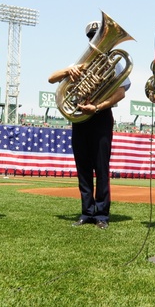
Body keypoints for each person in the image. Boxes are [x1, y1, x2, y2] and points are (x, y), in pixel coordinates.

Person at [48, 20, 131, 229]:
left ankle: (102, 214)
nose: (98, 40)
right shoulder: (78, 63)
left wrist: (98, 106)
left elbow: (121, 92)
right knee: (83, 167)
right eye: (94, 37)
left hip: (100, 116)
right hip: (79, 119)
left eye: (100, 35)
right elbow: (51, 79)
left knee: (101, 168)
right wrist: (70, 71)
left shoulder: (115, 62)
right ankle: (87, 212)